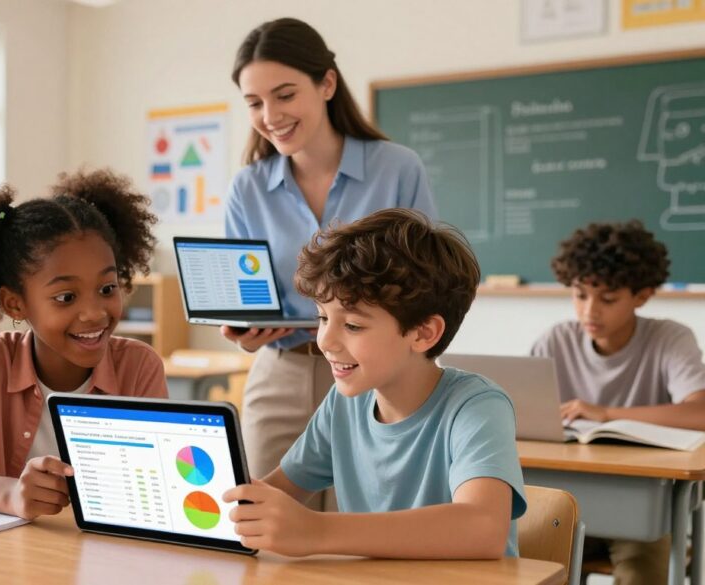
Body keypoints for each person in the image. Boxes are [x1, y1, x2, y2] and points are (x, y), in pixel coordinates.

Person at [223, 208, 525, 558]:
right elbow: (271, 495)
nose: (326, 341)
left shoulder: (476, 405)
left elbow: (482, 528)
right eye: (323, 317)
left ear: (424, 333)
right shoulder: (344, 403)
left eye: (352, 325)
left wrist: (317, 530)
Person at [222, 18, 437, 498]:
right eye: (254, 103)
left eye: (284, 94)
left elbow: (426, 283)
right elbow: (245, 293)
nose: (270, 114)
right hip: (282, 373)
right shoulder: (248, 186)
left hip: (376, 371)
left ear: (326, 83)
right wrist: (244, 330)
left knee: (359, 532)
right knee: (265, 520)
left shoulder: (397, 168)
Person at [0, 169, 168, 521]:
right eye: (66, 297)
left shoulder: (138, 366)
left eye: (107, 289)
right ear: (16, 304)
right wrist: (10, 494)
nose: (94, 313)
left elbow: (161, 482)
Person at [532, 219, 705, 584]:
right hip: (568, 501)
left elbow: (700, 412)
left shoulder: (670, 339)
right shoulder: (554, 341)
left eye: (608, 299)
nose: (590, 311)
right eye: (580, 295)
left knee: (643, 568)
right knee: (528, 556)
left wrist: (606, 415)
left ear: (641, 295)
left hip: (641, 508)